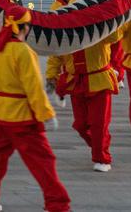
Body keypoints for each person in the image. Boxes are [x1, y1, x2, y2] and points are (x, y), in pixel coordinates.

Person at [0, 4, 70, 212]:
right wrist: (46, 113)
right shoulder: (24, 51)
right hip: (21, 116)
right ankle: (57, 203)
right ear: (24, 28)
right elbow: (33, 87)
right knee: (43, 161)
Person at [46, 24, 121, 171]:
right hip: (76, 82)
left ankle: (102, 158)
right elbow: (56, 54)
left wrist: (104, 19)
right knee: (80, 125)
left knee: (99, 124)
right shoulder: (65, 23)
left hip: (99, 80)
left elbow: (115, 36)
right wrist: (51, 76)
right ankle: (100, 146)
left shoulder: (100, 22)